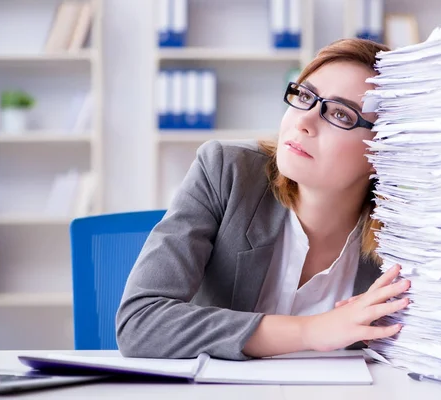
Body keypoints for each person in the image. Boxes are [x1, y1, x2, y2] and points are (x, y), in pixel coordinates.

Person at [116, 38, 411, 361]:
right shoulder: (226, 171)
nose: (304, 121)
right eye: (304, 96)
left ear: (384, 147)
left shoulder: (406, 228)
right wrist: (312, 330)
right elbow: (140, 322)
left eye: (340, 115)